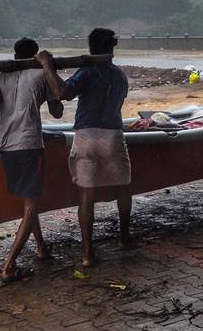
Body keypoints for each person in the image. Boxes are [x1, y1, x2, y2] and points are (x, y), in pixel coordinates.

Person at [35, 28, 133, 267]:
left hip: (86, 136)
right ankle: (123, 237)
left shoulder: (87, 72)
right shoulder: (120, 76)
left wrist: (47, 64)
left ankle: (88, 254)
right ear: (112, 47)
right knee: (123, 188)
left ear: (90, 47)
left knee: (86, 195)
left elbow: (60, 92)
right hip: (112, 135)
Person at [0, 38, 63, 284]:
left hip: (5, 146)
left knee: (28, 201)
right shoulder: (39, 75)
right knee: (31, 205)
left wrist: (0, 127)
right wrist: (48, 70)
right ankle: (9, 266)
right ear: (35, 56)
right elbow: (57, 111)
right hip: (28, 145)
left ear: (14, 55)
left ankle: (40, 247)